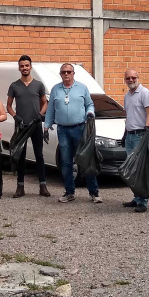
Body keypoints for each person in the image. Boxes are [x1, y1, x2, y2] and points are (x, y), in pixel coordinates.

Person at [44, 63, 100, 204]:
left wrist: (90, 112)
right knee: (66, 162)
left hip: (80, 128)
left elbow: (90, 104)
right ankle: (69, 192)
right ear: (61, 74)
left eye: (69, 71)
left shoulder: (82, 88)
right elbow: (50, 110)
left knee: (86, 161)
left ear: (73, 73)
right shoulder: (56, 89)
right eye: (64, 72)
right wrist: (46, 126)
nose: (66, 74)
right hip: (62, 130)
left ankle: (94, 192)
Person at [6, 55, 50, 198]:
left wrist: (40, 114)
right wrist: (14, 116)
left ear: (31, 67)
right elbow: (8, 106)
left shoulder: (39, 85)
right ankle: (20, 187)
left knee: (39, 155)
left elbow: (45, 103)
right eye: (22, 66)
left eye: (27, 65)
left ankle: (43, 186)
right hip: (21, 126)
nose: (24, 68)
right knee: (20, 155)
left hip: (35, 125)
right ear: (19, 68)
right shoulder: (14, 86)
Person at [121, 69, 149, 213]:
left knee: (141, 169)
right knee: (132, 170)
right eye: (128, 78)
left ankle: (143, 202)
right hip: (130, 135)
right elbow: (129, 116)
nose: (131, 80)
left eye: (133, 77)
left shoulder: (145, 93)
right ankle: (136, 198)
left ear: (138, 78)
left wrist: (147, 129)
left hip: (140, 135)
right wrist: (125, 133)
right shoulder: (127, 96)